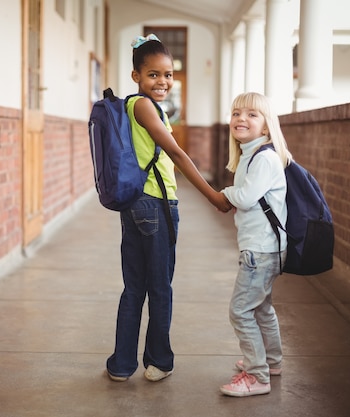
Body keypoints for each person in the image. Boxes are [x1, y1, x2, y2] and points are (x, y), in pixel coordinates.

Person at [105, 34, 232, 383]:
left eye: (168, 75)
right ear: (136, 76)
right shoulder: (144, 106)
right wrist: (213, 195)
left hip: (134, 204)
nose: (162, 82)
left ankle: (120, 365)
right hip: (155, 204)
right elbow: (177, 153)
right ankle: (159, 361)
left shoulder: (134, 106)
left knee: (134, 287)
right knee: (159, 287)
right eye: (153, 75)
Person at [219, 92, 291, 397]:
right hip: (263, 247)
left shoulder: (264, 157)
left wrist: (224, 193)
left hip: (260, 250)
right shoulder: (252, 154)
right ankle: (271, 362)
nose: (241, 119)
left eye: (252, 114)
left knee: (240, 310)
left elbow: (246, 198)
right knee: (261, 308)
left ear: (265, 126)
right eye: (237, 113)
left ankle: (258, 375)